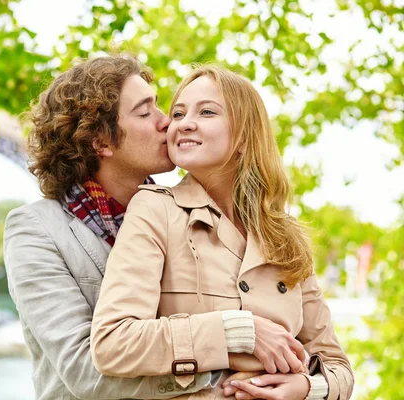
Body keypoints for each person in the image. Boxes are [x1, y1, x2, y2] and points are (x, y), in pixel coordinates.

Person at [90, 65, 354, 400]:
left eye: (207, 111)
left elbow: (338, 367)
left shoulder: (284, 235)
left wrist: (306, 388)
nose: (183, 122)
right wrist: (238, 332)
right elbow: (114, 343)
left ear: (244, 135)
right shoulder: (155, 210)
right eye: (179, 112)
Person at [3, 55, 219, 400]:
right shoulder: (35, 229)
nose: (168, 122)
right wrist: (216, 375)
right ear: (100, 141)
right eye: (146, 112)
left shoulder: (185, 214)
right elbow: (84, 370)